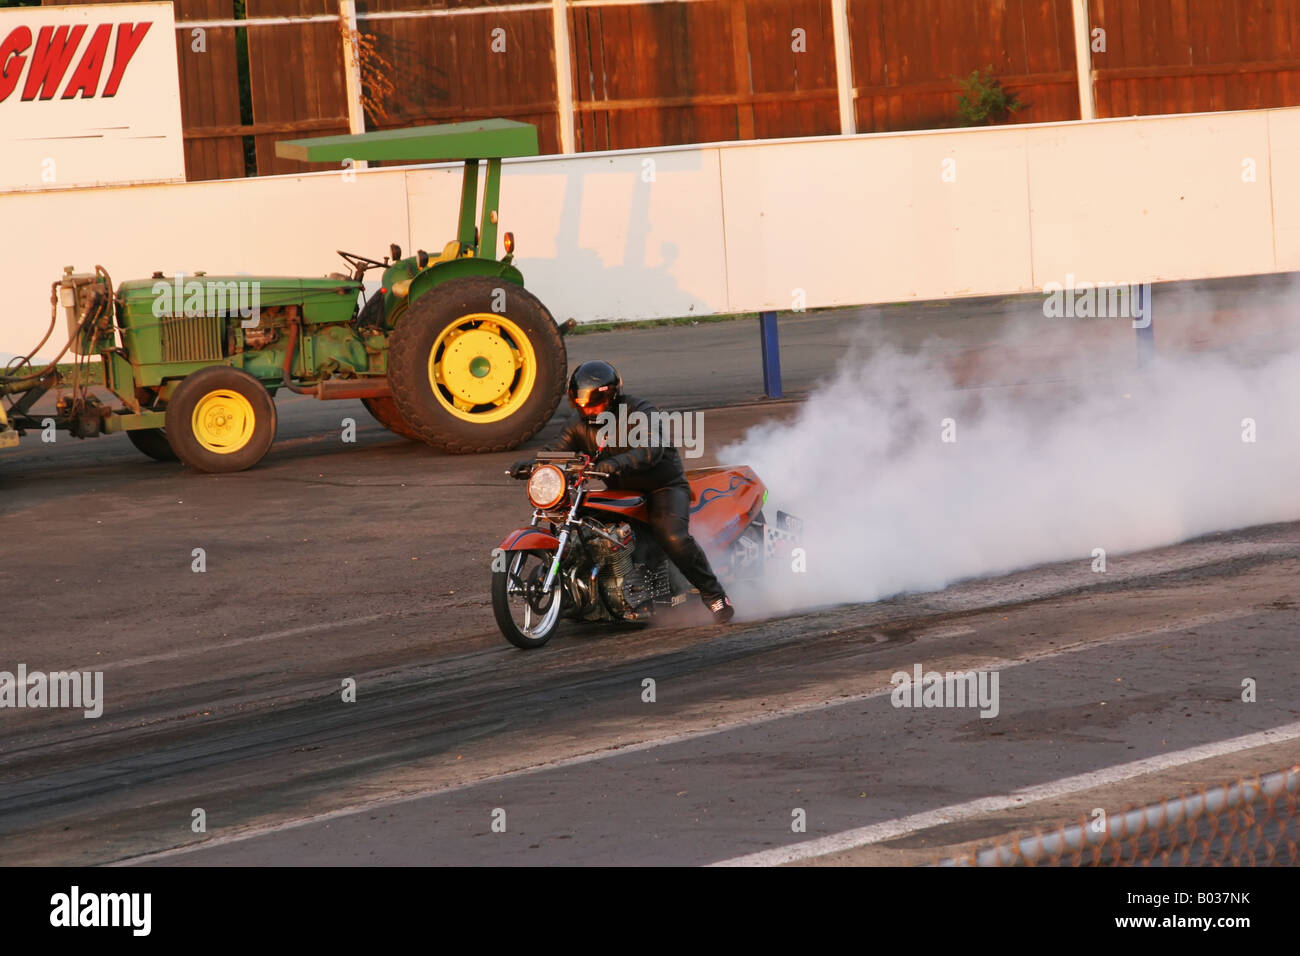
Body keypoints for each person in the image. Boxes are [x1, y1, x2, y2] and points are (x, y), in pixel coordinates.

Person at [512, 360, 735, 624]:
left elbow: (651, 448)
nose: (587, 410)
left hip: (662, 487)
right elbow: (557, 449)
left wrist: (615, 463)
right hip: (621, 493)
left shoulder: (640, 412)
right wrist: (534, 463)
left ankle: (715, 595)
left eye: (593, 404)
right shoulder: (577, 424)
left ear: (611, 397)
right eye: (580, 405)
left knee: (672, 536)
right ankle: (586, 594)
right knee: (580, 527)